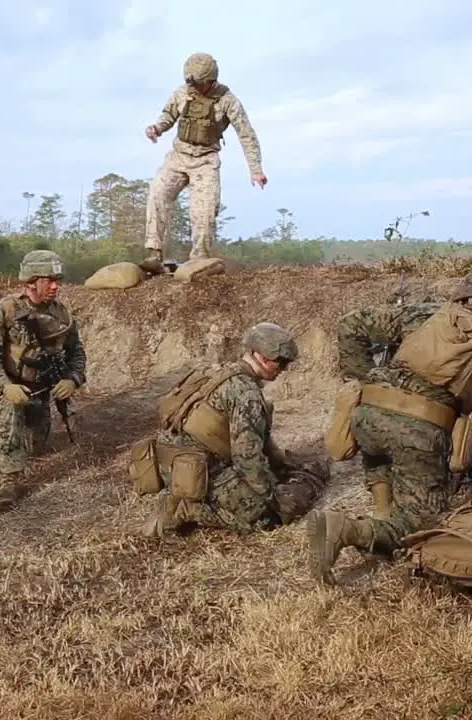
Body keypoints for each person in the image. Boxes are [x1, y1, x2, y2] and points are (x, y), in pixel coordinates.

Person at [308, 267, 472, 586]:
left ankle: (383, 511)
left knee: (383, 446)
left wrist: (363, 378)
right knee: (421, 526)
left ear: (464, 295)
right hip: (416, 431)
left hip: (365, 415)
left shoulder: (425, 314)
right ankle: (344, 529)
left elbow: (350, 325)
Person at [135, 322, 329, 536]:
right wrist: (272, 498)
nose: (283, 370)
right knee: (268, 516)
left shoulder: (214, 372)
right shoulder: (246, 394)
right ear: (264, 358)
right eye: (281, 363)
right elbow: (247, 457)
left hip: (172, 466)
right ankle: (185, 509)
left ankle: (179, 495)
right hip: (202, 471)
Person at [0, 250, 87, 511]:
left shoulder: (63, 315)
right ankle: (8, 482)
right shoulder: (3, 311)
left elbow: (77, 352)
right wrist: (6, 386)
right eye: (48, 280)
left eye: (56, 280)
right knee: (10, 414)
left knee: (36, 445)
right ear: (30, 283)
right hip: (6, 383)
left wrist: (73, 378)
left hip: (39, 390)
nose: (55, 286)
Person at [139, 52, 267, 274]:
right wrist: (156, 129)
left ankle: (199, 258)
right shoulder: (181, 94)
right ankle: (154, 253)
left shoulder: (228, 101)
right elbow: (168, 115)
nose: (195, 87)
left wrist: (256, 170)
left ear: (210, 81)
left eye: (199, 83)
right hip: (178, 156)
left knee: (204, 211)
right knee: (157, 194)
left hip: (206, 160)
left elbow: (246, 134)